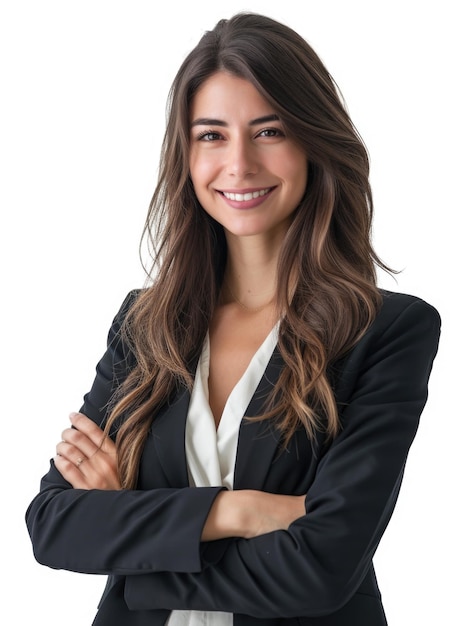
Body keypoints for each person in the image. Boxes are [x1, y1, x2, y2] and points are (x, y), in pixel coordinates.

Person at [25, 11, 441, 626]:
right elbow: (54, 524)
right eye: (211, 135)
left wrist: (134, 533)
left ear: (313, 141)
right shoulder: (145, 325)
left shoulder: (383, 331)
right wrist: (242, 511)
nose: (239, 164)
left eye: (268, 131)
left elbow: (321, 567)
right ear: (186, 154)